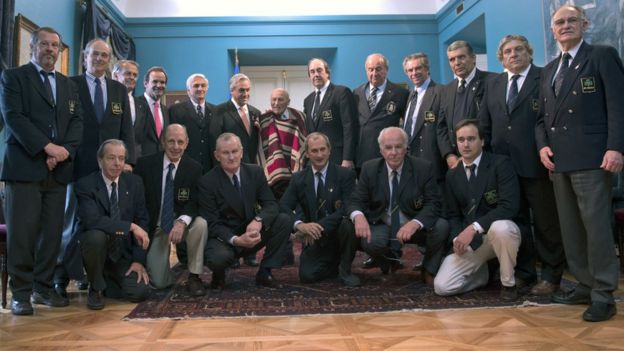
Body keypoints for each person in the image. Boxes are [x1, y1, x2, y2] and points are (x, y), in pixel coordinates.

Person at [535, 4, 624, 322]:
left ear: (585, 24)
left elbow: (618, 104)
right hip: (559, 162)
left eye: (572, 20)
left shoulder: (601, 56)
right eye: (559, 22)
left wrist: (616, 147)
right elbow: (542, 119)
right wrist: (543, 145)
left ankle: (604, 294)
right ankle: (584, 285)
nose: (565, 25)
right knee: (572, 231)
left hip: (593, 158)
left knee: (597, 230)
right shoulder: (548, 69)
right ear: (552, 29)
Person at [1, 26, 83, 316]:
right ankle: (20, 294)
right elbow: (14, 118)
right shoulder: (13, 78)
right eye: (45, 44)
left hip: (58, 171)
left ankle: (42, 288)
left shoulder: (68, 85)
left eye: (55, 46)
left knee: (51, 234)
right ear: (32, 47)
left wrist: (64, 152)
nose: (50, 49)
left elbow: (76, 123)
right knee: (23, 234)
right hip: (24, 168)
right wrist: (47, 148)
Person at [479, 35, 564, 296]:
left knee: (546, 222)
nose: (513, 54)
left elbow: (550, 120)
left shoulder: (544, 77)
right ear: (501, 57)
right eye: (507, 51)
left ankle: (551, 275)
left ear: (529, 52)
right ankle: (525, 274)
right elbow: (485, 124)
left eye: (518, 50)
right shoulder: (494, 83)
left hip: (536, 164)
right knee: (516, 223)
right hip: (504, 168)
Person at [54, 39, 136, 297]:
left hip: (110, 170)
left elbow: (126, 130)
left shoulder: (118, 90)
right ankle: (61, 275)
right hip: (76, 166)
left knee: (103, 224)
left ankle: (95, 273)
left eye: (104, 55)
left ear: (109, 59)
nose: (99, 59)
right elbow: (62, 124)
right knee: (71, 224)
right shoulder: (69, 85)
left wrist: (128, 160)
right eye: (95, 54)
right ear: (85, 56)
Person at [347, 127, 448, 285]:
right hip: (384, 223)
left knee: (441, 226)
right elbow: (356, 200)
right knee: (369, 241)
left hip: (413, 223)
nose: (393, 152)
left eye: (398, 146)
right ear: (381, 150)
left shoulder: (423, 168)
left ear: (406, 148)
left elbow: (434, 203)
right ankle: (389, 261)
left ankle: (429, 269)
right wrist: (358, 216)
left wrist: (415, 223)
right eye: (388, 147)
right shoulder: (370, 168)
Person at [434, 119, 521, 301]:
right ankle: (483, 274)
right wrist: (458, 238)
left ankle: (508, 284)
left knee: (501, 228)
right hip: (472, 242)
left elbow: (509, 207)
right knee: (442, 286)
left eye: (471, 139)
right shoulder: (452, 174)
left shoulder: (500, 164)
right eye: (461, 139)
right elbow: (453, 214)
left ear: (482, 141)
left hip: (498, 234)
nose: (465, 144)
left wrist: (474, 227)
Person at [198, 133, 291, 290]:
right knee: (217, 258)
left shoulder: (255, 172)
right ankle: (219, 275)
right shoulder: (207, 182)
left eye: (235, 151)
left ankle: (265, 271)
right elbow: (212, 224)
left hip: (250, 230)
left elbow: (271, 204)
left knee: (283, 220)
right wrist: (236, 239)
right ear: (217, 155)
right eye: (226, 153)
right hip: (225, 237)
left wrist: (259, 220)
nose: (231, 157)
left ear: (241, 152)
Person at [76, 139, 150, 310]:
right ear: (99, 160)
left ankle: (108, 282)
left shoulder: (134, 183)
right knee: (96, 235)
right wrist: (130, 227)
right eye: (111, 158)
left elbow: (143, 221)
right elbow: (92, 220)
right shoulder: (85, 185)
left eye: (121, 158)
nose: (117, 163)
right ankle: (95, 287)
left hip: (122, 253)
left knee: (140, 292)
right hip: (95, 252)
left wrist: (138, 261)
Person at [134, 124, 207, 295]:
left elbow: (195, 202)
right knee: (159, 283)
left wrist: (182, 221)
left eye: (180, 142)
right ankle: (165, 272)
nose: (176, 147)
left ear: (187, 143)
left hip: (181, 223)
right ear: (162, 142)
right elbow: (137, 201)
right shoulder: (145, 164)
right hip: (156, 226)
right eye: (171, 141)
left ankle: (194, 275)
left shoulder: (194, 168)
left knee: (201, 224)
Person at [280, 132, 360, 286]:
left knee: (348, 223)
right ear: (308, 154)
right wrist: (300, 225)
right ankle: (334, 263)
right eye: (314, 151)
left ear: (330, 150)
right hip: (313, 238)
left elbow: (347, 207)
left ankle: (345, 269)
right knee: (307, 276)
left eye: (323, 149)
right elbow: (283, 206)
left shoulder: (345, 175)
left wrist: (319, 227)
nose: (319, 154)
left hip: (338, 232)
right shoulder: (298, 179)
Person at [438, 40, 494, 169]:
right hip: (454, 163)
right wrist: (448, 155)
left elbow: (495, 123)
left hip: (484, 159)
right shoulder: (446, 90)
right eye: (452, 59)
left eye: (461, 57)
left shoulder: (492, 81)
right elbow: (441, 127)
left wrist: (472, 154)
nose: (457, 63)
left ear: (473, 58)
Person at [353, 53, 408, 169]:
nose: (374, 73)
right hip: (362, 157)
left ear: (386, 70)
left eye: (378, 69)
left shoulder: (400, 93)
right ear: (366, 71)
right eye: (370, 69)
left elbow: (407, 125)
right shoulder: (356, 93)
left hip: (389, 157)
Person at [303, 58, 357, 167]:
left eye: (319, 70)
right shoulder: (308, 100)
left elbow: (350, 127)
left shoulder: (341, 93)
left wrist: (347, 158)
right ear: (309, 76)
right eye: (312, 72)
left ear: (327, 73)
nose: (316, 74)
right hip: (315, 161)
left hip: (337, 158)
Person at [402, 53, 446, 183]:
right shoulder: (410, 95)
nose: (414, 73)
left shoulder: (441, 91)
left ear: (427, 68)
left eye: (418, 68)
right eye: (410, 70)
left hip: (432, 163)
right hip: (409, 161)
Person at [258, 88, 307, 199]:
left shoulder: (299, 118)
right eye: (273, 99)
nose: (276, 103)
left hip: (292, 172)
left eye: (280, 99)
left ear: (288, 101)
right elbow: (260, 145)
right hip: (272, 172)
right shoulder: (264, 120)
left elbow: (303, 142)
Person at [169, 73, 220, 174]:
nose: (200, 88)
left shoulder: (216, 111)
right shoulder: (175, 110)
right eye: (196, 86)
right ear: (188, 91)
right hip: (186, 166)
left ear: (207, 89)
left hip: (211, 168)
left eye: (203, 85)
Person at [216, 73, 261, 165]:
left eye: (248, 90)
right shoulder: (219, 111)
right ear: (232, 91)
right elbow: (215, 142)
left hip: (254, 166)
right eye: (241, 90)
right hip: (230, 165)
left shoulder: (256, 113)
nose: (245, 94)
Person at [135, 66, 169, 158]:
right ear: (145, 83)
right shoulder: (134, 104)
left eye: (162, 82)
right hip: (139, 162)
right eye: (155, 81)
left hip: (160, 161)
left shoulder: (165, 110)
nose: (159, 85)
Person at [112, 59, 141, 157]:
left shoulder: (141, 105)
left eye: (135, 75)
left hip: (135, 160)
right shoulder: (106, 99)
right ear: (116, 76)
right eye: (128, 73)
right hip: (111, 157)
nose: (132, 77)